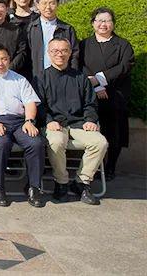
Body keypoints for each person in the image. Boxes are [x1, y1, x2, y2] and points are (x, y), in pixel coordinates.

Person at [35, 38, 107, 205]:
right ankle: (61, 182)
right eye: (55, 51)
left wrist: (90, 119)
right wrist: (48, 120)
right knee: (56, 141)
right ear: (49, 53)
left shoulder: (81, 77)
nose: (60, 54)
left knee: (100, 142)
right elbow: (38, 106)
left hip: (78, 123)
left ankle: (82, 182)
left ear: (70, 52)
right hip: (54, 124)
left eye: (63, 50)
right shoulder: (41, 77)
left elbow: (91, 103)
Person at [0, 44, 45, 207]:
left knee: (35, 142)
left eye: (4, 59)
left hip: (19, 121)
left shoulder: (19, 79)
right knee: (2, 142)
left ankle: (34, 187)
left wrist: (29, 121)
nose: (0, 63)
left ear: (9, 60)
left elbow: (30, 102)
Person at [80, 7, 134, 180]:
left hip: (115, 94)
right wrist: (95, 86)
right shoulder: (84, 44)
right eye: (99, 20)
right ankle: (94, 167)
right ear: (93, 23)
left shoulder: (123, 45)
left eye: (107, 21)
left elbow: (125, 66)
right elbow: (79, 66)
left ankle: (111, 167)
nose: (103, 24)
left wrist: (101, 79)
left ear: (113, 23)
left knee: (114, 132)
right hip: (92, 95)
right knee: (93, 132)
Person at [25, 0, 79, 82]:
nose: (48, 7)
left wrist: (73, 75)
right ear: (37, 5)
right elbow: (27, 54)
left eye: (52, 3)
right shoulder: (31, 28)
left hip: (63, 76)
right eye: (44, 3)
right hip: (38, 76)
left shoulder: (67, 29)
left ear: (58, 4)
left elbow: (74, 54)